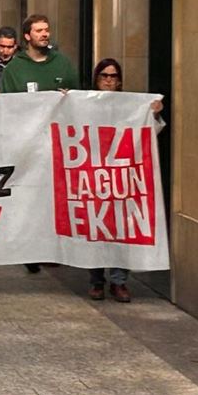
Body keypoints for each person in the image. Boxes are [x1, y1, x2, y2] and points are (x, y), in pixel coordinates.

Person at [85, 59, 163, 302]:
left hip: (122, 176)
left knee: (121, 229)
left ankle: (119, 281)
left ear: (119, 80)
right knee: (95, 230)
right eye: (104, 76)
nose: (109, 80)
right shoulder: (84, 104)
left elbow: (150, 133)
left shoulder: (131, 105)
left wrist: (153, 114)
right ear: (96, 80)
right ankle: (97, 280)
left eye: (113, 76)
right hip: (94, 174)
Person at [0, 15, 80, 93]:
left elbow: (76, 96)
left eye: (47, 30)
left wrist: (68, 95)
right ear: (27, 36)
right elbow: (6, 103)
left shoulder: (63, 63)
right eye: (39, 31)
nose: (44, 34)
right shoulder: (13, 69)